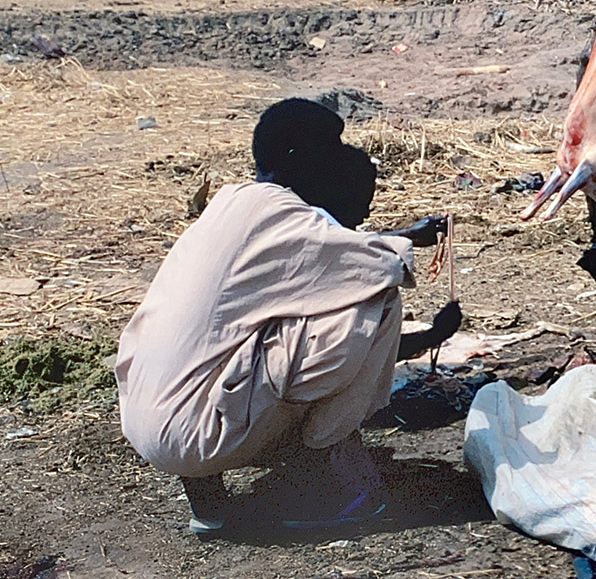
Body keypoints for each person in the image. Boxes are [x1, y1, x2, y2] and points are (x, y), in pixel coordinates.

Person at [115, 98, 460, 535]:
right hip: (196, 433)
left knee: (222, 343)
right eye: (332, 148)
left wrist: (406, 234)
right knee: (377, 297)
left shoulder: (233, 206)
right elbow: (376, 266)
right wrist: (431, 329)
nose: (338, 159)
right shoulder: (283, 213)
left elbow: (325, 247)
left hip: (148, 420)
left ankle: (209, 507)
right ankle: (326, 487)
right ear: (299, 158)